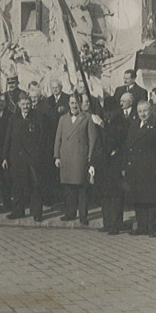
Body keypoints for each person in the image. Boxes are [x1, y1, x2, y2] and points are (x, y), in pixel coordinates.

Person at [2, 93, 47, 221]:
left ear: (31, 104)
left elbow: (43, 138)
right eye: (23, 104)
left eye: (28, 103)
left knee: (35, 186)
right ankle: (18, 211)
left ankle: (37, 213)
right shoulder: (13, 118)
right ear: (19, 105)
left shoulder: (38, 117)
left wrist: (38, 155)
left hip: (33, 158)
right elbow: (8, 139)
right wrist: (5, 157)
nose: (26, 106)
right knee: (17, 186)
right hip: (16, 158)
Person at [124, 100, 156, 236]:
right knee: (138, 198)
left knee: (152, 199)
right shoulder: (134, 124)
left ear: (150, 110)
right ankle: (141, 226)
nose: (143, 114)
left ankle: (152, 228)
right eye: (140, 111)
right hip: (136, 167)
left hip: (150, 167)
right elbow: (129, 144)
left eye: (145, 111)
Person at [54, 94, 97, 225]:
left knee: (81, 188)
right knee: (68, 188)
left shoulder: (87, 117)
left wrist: (90, 158)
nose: (74, 106)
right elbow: (58, 138)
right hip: (66, 157)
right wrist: (57, 156)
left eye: (76, 103)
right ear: (68, 104)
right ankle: (70, 213)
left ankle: (83, 215)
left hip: (80, 157)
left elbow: (92, 140)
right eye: (72, 103)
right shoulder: (62, 119)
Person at [91, 96, 127, 234]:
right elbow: (98, 143)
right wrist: (93, 163)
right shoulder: (107, 121)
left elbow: (115, 138)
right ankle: (107, 223)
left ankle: (116, 224)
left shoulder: (121, 122)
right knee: (105, 195)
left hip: (115, 163)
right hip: (103, 163)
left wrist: (101, 124)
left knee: (115, 196)